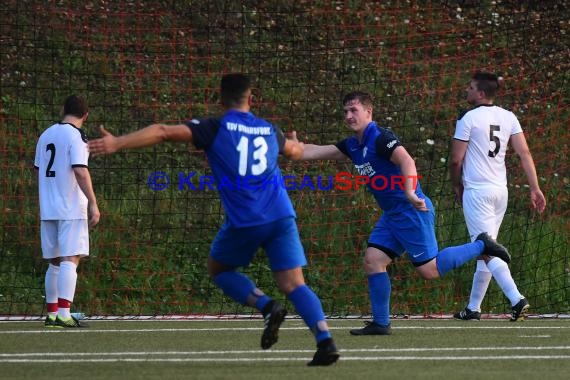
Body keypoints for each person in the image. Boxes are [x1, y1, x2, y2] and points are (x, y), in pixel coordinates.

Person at [88, 73, 339, 366]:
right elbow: (295, 151)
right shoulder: (270, 129)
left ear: (220, 99)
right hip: (281, 216)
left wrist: (118, 142)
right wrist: (293, 143)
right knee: (295, 284)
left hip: (246, 219)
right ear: (251, 98)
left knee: (218, 269)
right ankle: (325, 341)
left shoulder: (214, 127)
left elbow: (161, 131)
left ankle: (266, 305)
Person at [291, 91, 511, 335]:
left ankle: (482, 245)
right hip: (392, 214)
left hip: (411, 209)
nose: (349, 116)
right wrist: (290, 147)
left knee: (429, 270)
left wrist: (409, 191)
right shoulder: (353, 145)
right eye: (345, 112)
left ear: (368, 112)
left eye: (354, 110)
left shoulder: (380, 138)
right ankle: (381, 323)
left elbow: (407, 160)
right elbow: (315, 151)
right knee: (373, 260)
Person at [449, 72, 547, 321]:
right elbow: (524, 153)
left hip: (478, 192)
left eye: (470, 87)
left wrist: (457, 186)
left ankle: (516, 299)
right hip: (500, 192)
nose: (467, 91)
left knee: (485, 249)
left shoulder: (468, 118)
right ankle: (473, 308)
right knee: (486, 247)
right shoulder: (509, 116)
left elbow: (455, 159)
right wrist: (534, 187)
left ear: (481, 93)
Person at [34, 94, 100, 328]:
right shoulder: (77, 136)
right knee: (70, 259)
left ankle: (52, 313)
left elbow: (39, 170)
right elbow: (80, 171)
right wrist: (93, 202)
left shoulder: (46, 134)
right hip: (70, 207)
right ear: (85, 115)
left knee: (54, 261)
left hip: (48, 207)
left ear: (63, 109)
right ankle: (64, 313)